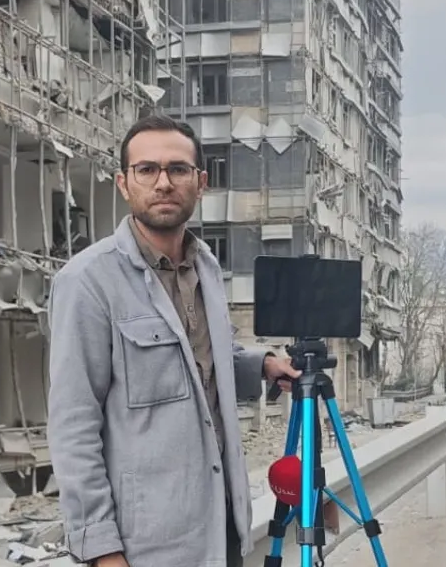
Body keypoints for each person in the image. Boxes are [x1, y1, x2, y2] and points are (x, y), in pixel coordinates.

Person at [46, 115, 302, 567]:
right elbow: (73, 425)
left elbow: (197, 361)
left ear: (200, 183)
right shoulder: (87, 281)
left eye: (178, 169)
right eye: (147, 169)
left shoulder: (207, 268)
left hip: (222, 528)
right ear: (124, 184)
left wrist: (261, 365)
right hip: (148, 546)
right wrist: (102, 550)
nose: (163, 183)